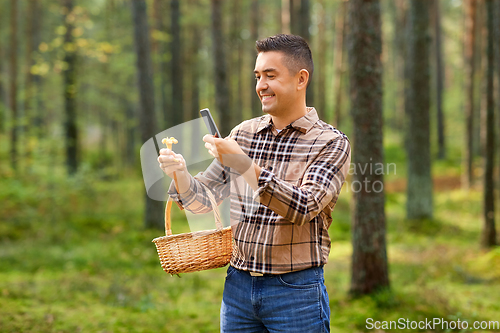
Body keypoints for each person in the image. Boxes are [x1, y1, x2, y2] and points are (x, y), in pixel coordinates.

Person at [158, 34, 351, 333]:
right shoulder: (243, 134)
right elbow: (201, 201)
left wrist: (245, 165)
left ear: (301, 79)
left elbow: (304, 206)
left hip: (295, 292)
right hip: (237, 288)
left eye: (270, 76)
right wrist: (181, 174)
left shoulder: (330, 143)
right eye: (258, 76)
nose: (261, 85)